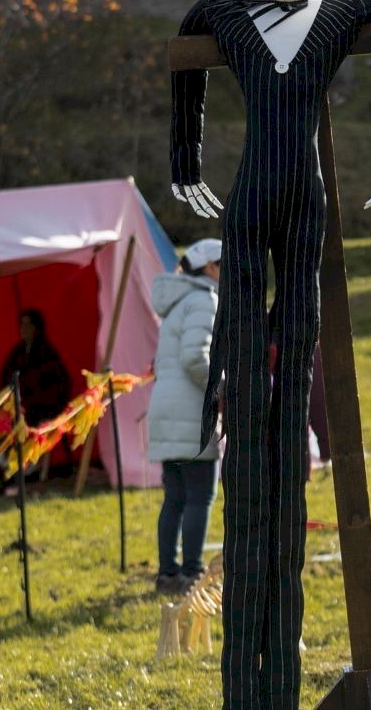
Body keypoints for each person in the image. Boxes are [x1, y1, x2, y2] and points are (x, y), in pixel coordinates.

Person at [149, 239, 222, 594]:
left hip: (167, 410)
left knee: (175, 496)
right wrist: (221, 390)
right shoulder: (203, 301)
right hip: (192, 412)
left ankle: (168, 574)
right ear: (210, 268)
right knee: (199, 496)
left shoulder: (178, 303)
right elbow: (196, 360)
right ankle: (192, 574)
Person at [0, 308, 74, 430]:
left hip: (43, 412)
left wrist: (51, 412)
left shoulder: (47, 354)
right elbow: (5, 382)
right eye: (22, 324)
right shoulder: (16, 354)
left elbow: (61, 386)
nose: (24, 328)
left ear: (37, 328)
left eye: (28, 324)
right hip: (20, 412)